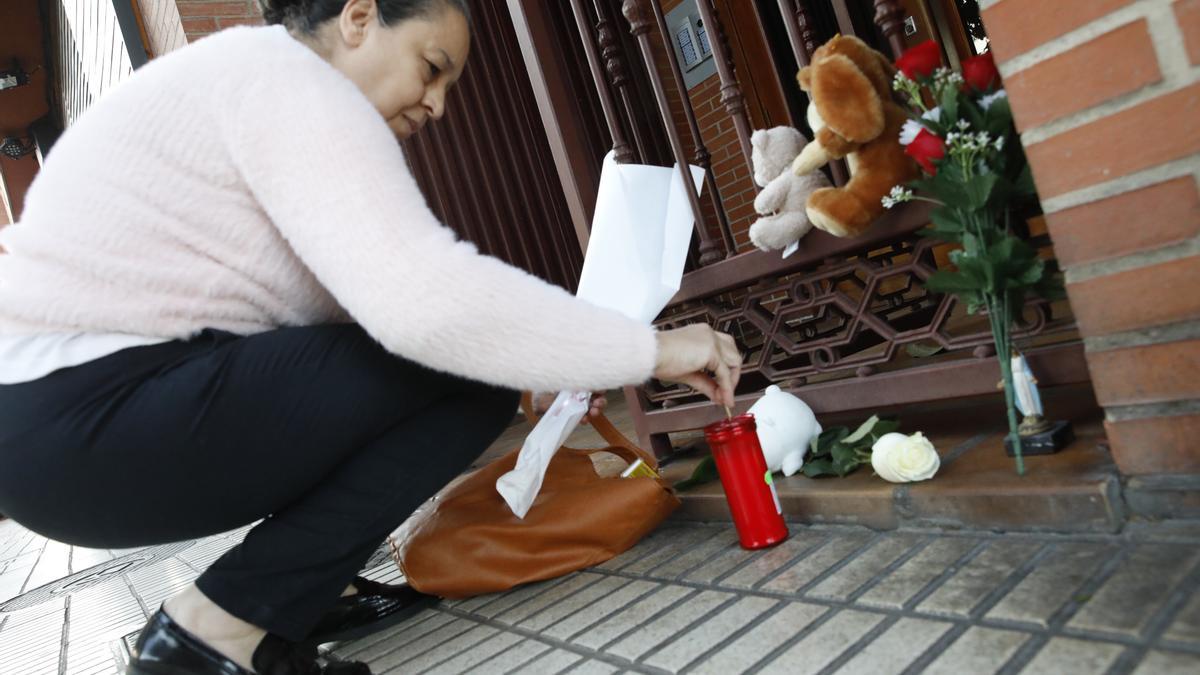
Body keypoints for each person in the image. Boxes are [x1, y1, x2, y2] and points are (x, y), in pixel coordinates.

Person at [0, 1, 743, 673]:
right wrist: (652, 349)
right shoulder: (287, 78)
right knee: (467, 374)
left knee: (453, 363)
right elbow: (425, 304)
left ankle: (268, 621)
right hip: (83, 416)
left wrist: (545, 348)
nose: (439, 104)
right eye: (431, 67)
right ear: (359, 18)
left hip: (69, 435)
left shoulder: (253, 85)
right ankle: (213, 629)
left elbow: (367, 337)